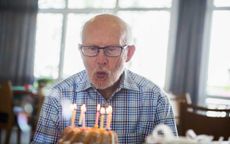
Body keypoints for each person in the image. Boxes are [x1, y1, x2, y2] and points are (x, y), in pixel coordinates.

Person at [32, 14, 177, 144]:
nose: (101, 60)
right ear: (81, 52)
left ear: (129, 53)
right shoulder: (58, 95)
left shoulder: (155, 98)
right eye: (92, 49)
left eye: (111, 49)